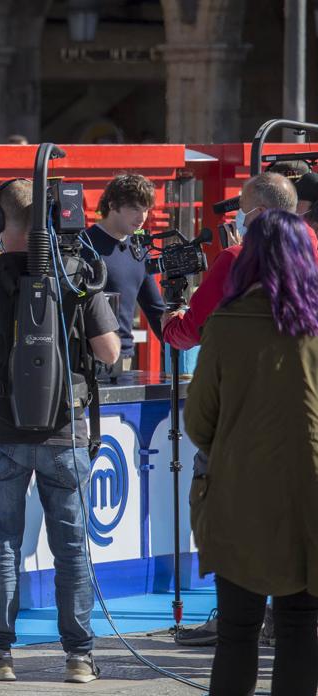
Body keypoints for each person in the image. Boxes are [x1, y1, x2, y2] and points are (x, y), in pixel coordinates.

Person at [0, 179, 120, 684]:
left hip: (2, 430)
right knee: (71, 547)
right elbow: (110, 352)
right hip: (66, 432)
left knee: (2, 543)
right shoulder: (77, 274)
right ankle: (80, 657)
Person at [184, 209, 318, 696]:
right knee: (301, 631)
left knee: (237, 635)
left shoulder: (225, 323)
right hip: (310, 502)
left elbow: (199, 423)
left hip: (239, 498)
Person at [163, 172, 301, 352]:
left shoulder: (233, 258)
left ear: (260, 213)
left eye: (242, 208)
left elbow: (194, 329)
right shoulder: (305, 257)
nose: (239, 215)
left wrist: (170, 326)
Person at [80, 173, 165, 373]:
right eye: (134, 208)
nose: (142, 217)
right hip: (84, 360)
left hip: (124, 358)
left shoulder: (139, 249)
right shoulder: (82, 244)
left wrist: (190, 339)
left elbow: (155, 310)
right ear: (112, 205)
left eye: (146, 210)